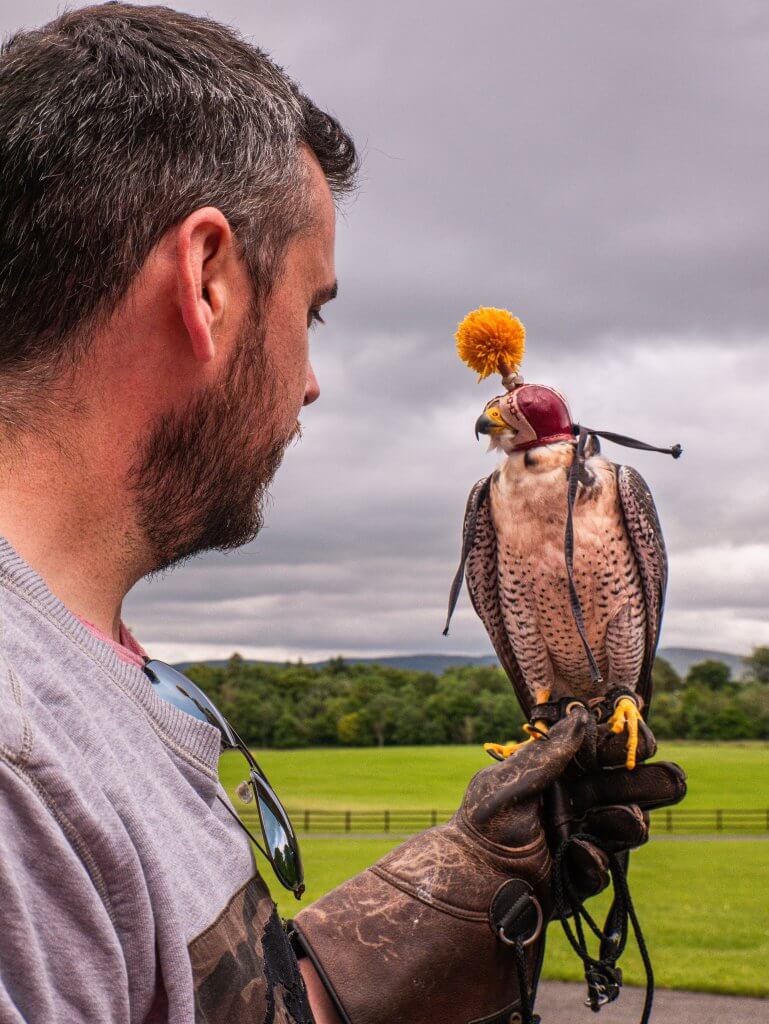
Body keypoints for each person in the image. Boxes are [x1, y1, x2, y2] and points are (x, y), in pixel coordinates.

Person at [0, 5, 685, 1023]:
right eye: (311, 310)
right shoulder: (21, 769)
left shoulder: (83, 676)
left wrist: (459, 887)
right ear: (208, 282)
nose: (313, 383)